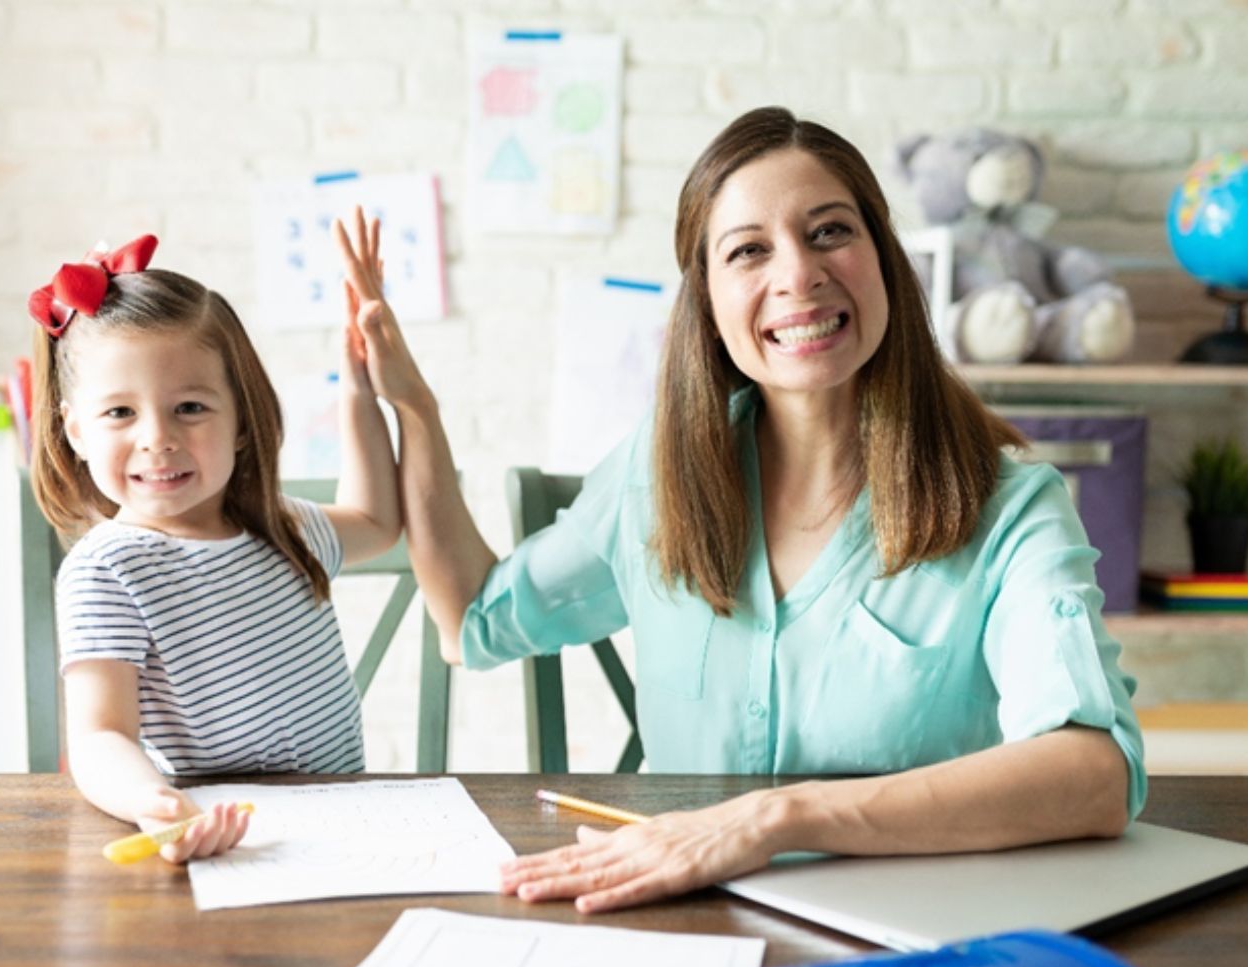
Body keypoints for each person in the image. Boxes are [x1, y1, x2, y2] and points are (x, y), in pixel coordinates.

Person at [330, 107, 1147, 913]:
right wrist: (417, 410)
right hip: (673, 916)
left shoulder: (1009, 507)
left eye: (830, 232)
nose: (797, 274)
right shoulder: (657, 475)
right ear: (710, 305)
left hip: (912, 938)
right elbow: (472, 620)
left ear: (885, 261)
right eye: (749, 251)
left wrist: (775, 818)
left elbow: (1095, 773)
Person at [29, 233, 400, 864]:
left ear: (242, 424)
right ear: (75, 430)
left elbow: (376, 520)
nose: (157, 438)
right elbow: (100, 735)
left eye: (190, 407)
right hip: (226, 836)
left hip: (343, 826)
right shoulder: (107, 570)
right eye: (120, 413)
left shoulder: (284, 529)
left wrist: (360, 388)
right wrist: (156, 804)